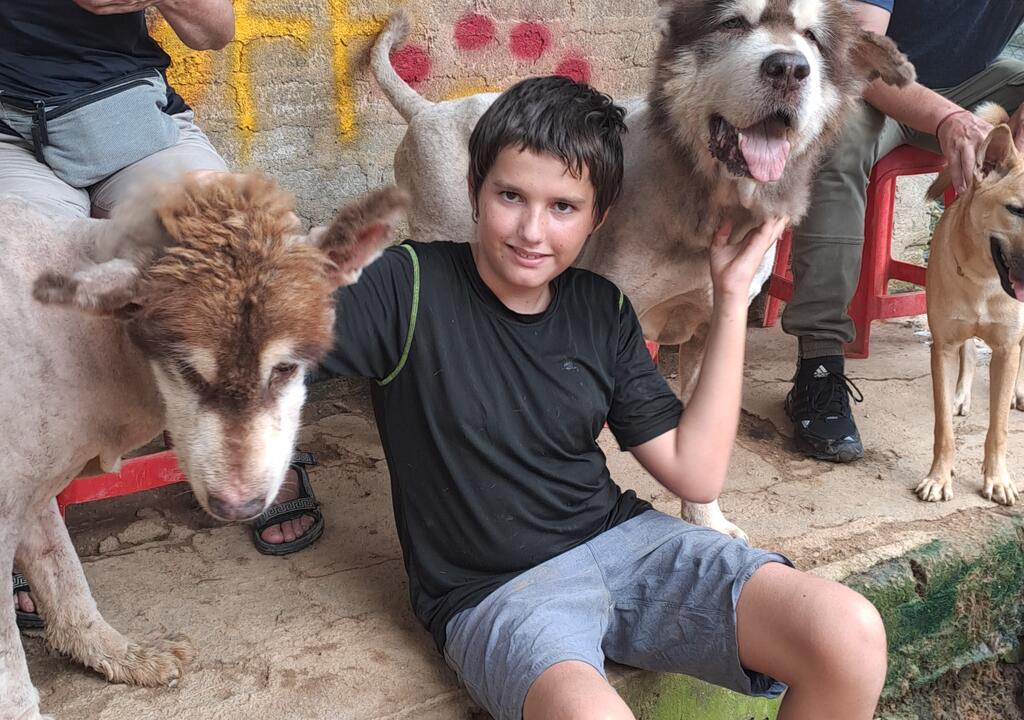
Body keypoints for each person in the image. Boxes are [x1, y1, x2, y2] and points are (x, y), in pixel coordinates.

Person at [319, 75, 888, 720]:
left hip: (626, 543)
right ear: (474, 188)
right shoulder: (408, 285)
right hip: (498, 593)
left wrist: (731, 302)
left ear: (599, 217)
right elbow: (271, 335)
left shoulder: (601, 309)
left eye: (564, 206)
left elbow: (695, 473)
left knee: (849, 634)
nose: (532, 230)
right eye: (510, 195)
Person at [3, 0, 320, 631]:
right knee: (29, 309)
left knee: (234, 249)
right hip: (6, 131)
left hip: (129, 119)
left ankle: (252, 453)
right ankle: (23, 506)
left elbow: (215, 31)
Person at [783, 0, 1024, 462]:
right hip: (876, 87)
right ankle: (819, 361)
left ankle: (1010, 323)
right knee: (837, 146)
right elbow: (859, 53)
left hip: (973, 83)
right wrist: (946, 117)